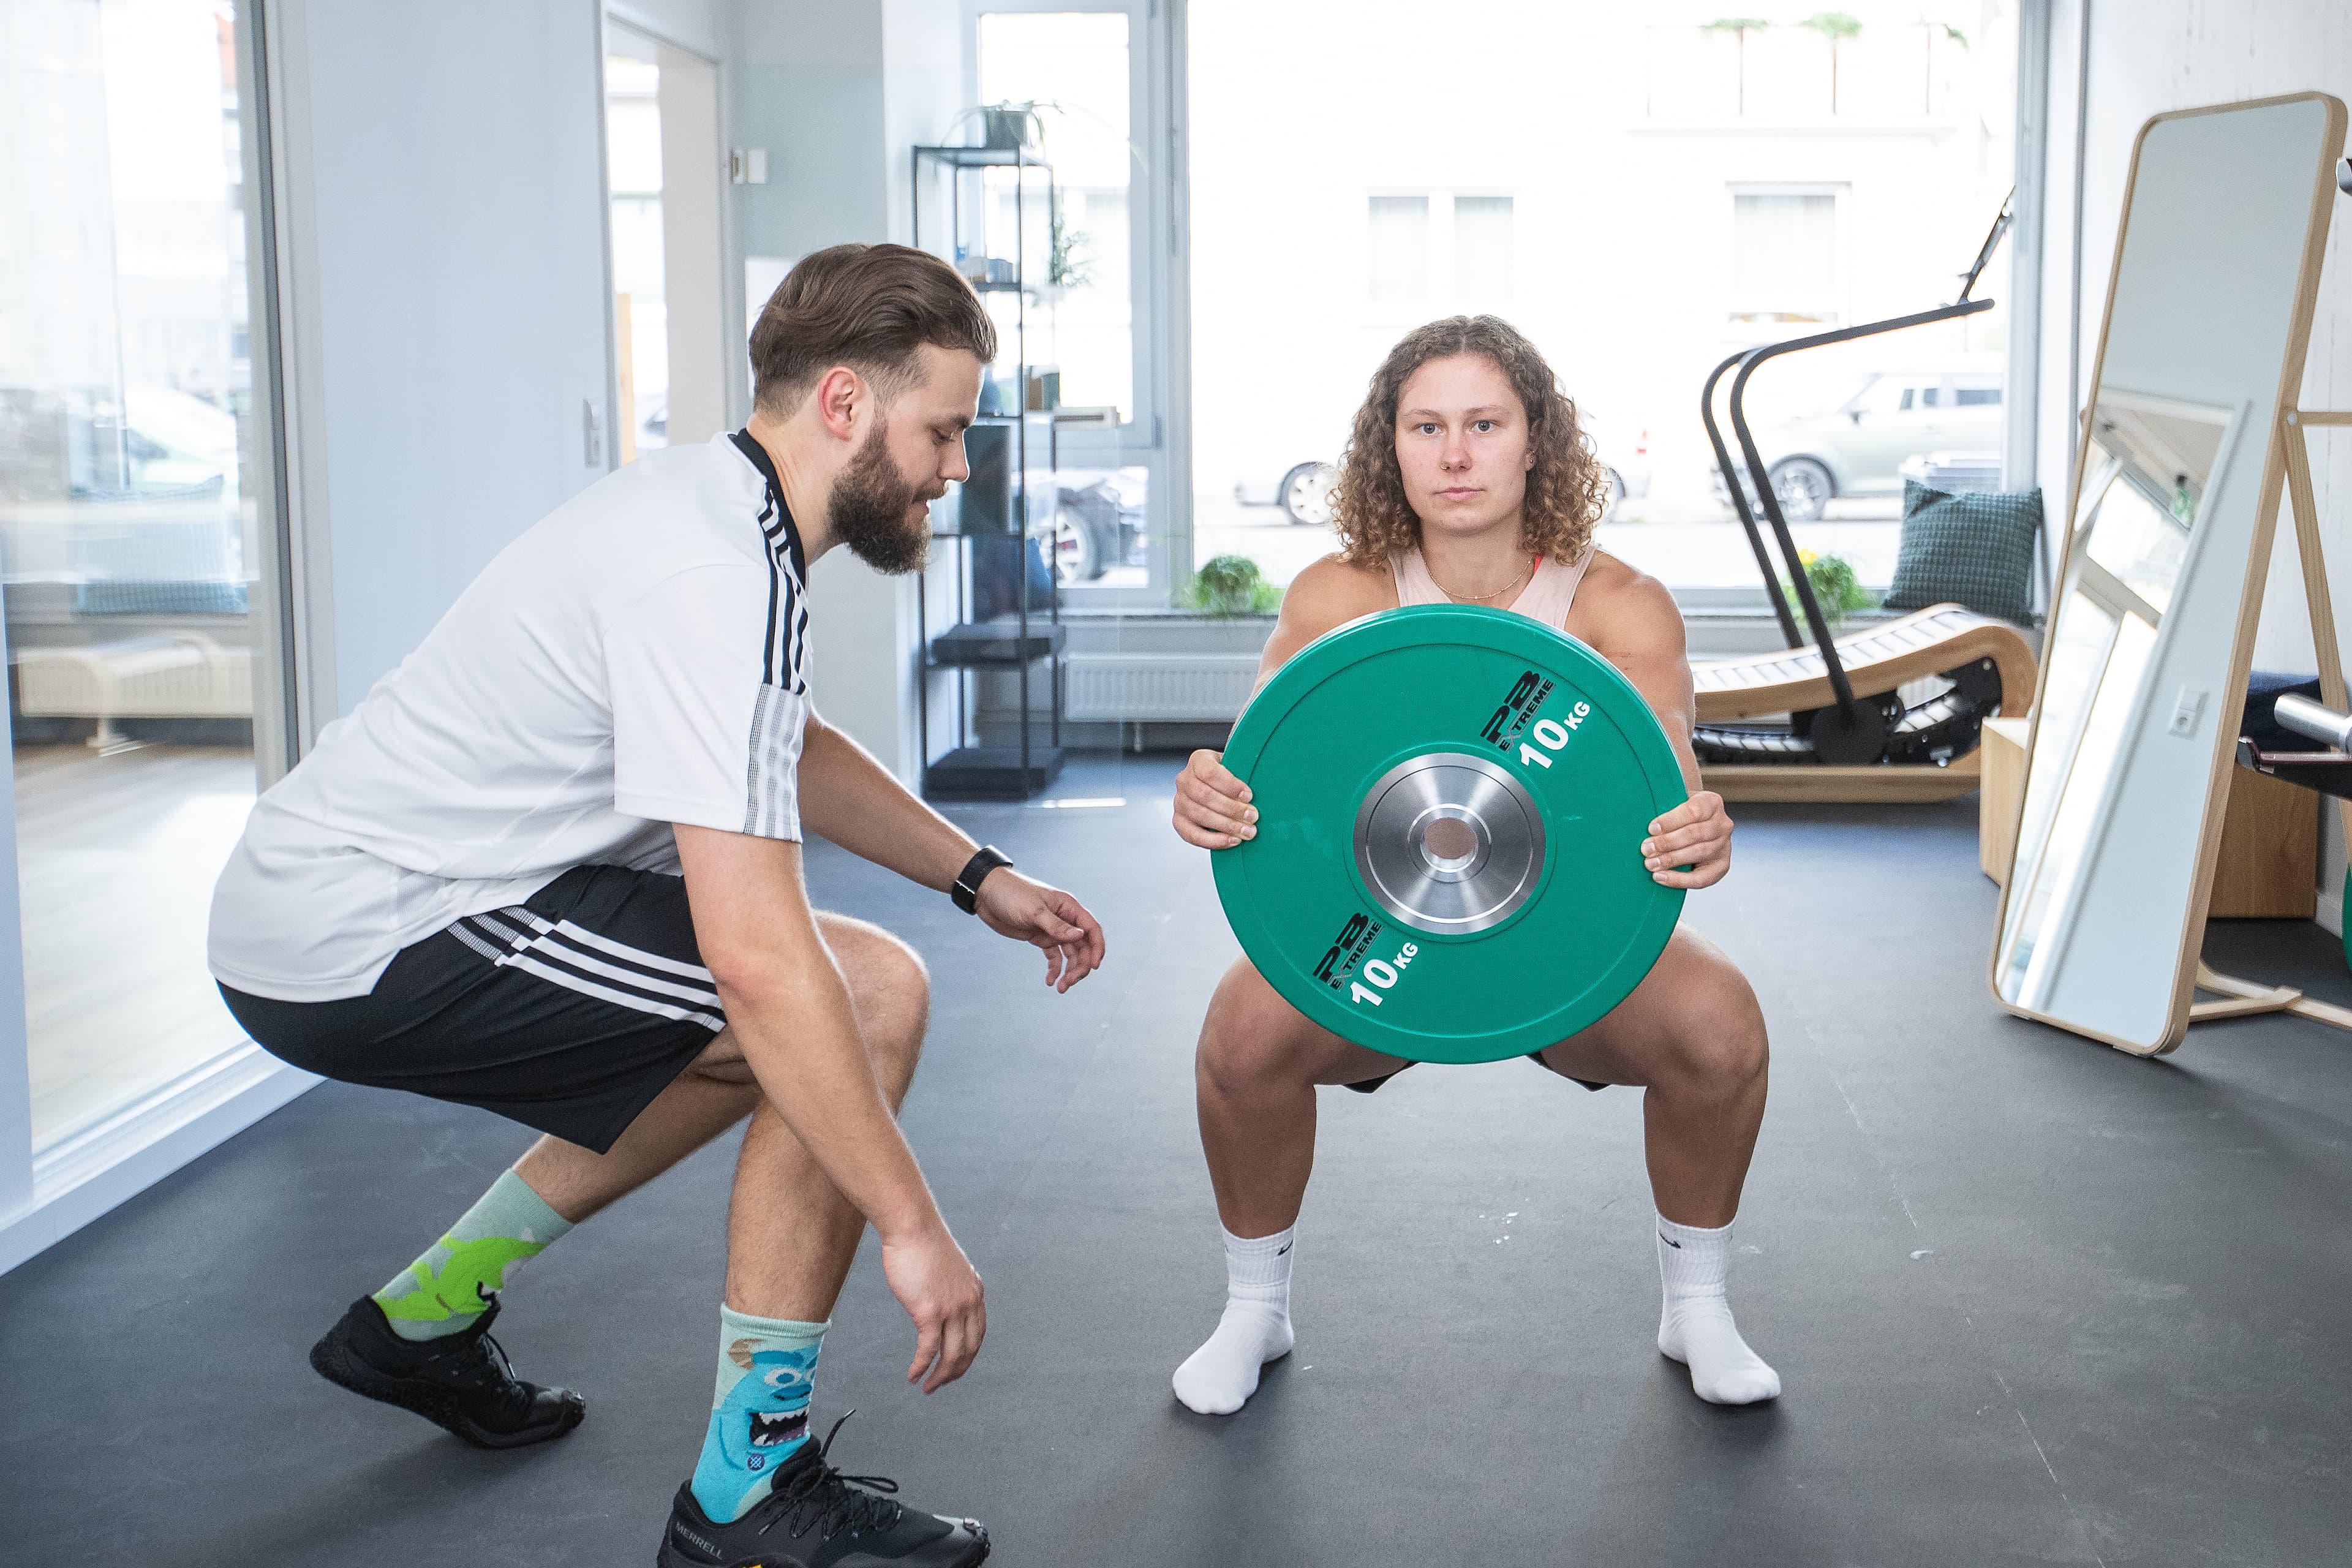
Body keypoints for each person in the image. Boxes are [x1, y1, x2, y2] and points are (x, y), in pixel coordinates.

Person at [208, 243, 1103, 1568]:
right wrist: (915, 1228)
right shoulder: (714, 570)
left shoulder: (722, 511)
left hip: (423, 887)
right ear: (846, 404)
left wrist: (978, 876)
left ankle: (426, 1316)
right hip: (367, 927)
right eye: (946, 431)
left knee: (803, 1022)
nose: (957, 469)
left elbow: (779, 739)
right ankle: (749, 1488)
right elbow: (757, 958)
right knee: (846, 1000)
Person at [1169, 315, 1777, 1417]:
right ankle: (1254, 1308)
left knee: (1722, 1027)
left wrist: (1699, 836)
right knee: (1240, 1038)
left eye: (1484, 424)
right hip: (1383, 942)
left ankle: (1700, 1307)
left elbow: (1664, 807)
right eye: (1427, 426)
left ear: (1534, 440)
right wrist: (1210, 798)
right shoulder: (1336, 600)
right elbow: (1271, 793)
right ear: (1388, 446)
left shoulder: (1615, 605)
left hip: (1559, 950)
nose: (1455, 455)